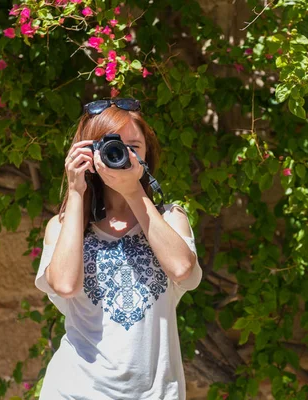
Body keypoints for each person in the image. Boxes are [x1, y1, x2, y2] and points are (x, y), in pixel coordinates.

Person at [34, 98, 203, 399]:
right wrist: (76, 191)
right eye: (112, 146)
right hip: (74, 391)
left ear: (148, 155)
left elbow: (182, 269)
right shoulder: (62, 228)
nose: (123, 155)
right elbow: (64, 285)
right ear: (88, 154)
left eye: (134, 147)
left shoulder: (170, 219)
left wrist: (133, 191)